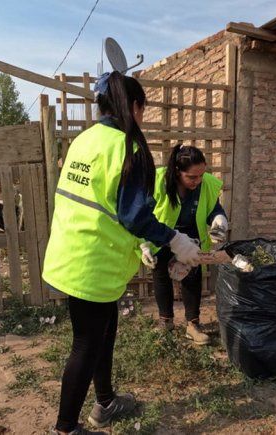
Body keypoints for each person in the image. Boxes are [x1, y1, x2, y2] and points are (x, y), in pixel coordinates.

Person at [42, 71, 201, 435]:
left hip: (72, 252)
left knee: (105, 331)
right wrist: (174, 239)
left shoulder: (84, 141)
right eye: (142, 109)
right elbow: (134, 215)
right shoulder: (128, 148)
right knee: (86, 343)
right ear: (134, 106)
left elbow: (103, 204)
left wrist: (139, 243)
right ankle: (65, 428)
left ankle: (106, 401)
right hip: (93, 263)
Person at [139, 144, 228, 345]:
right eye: (192, 177)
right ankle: (166, 321)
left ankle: (193, 325)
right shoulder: (159, 182)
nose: (198, 181)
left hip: (191, 239)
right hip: (163, 235)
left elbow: (214, 209)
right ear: (178, 171)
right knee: (160, 275)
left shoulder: (205, 184)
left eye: (201, 175)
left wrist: (219, 220)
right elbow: (141, 215)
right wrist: (144, 245)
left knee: (192, 278)